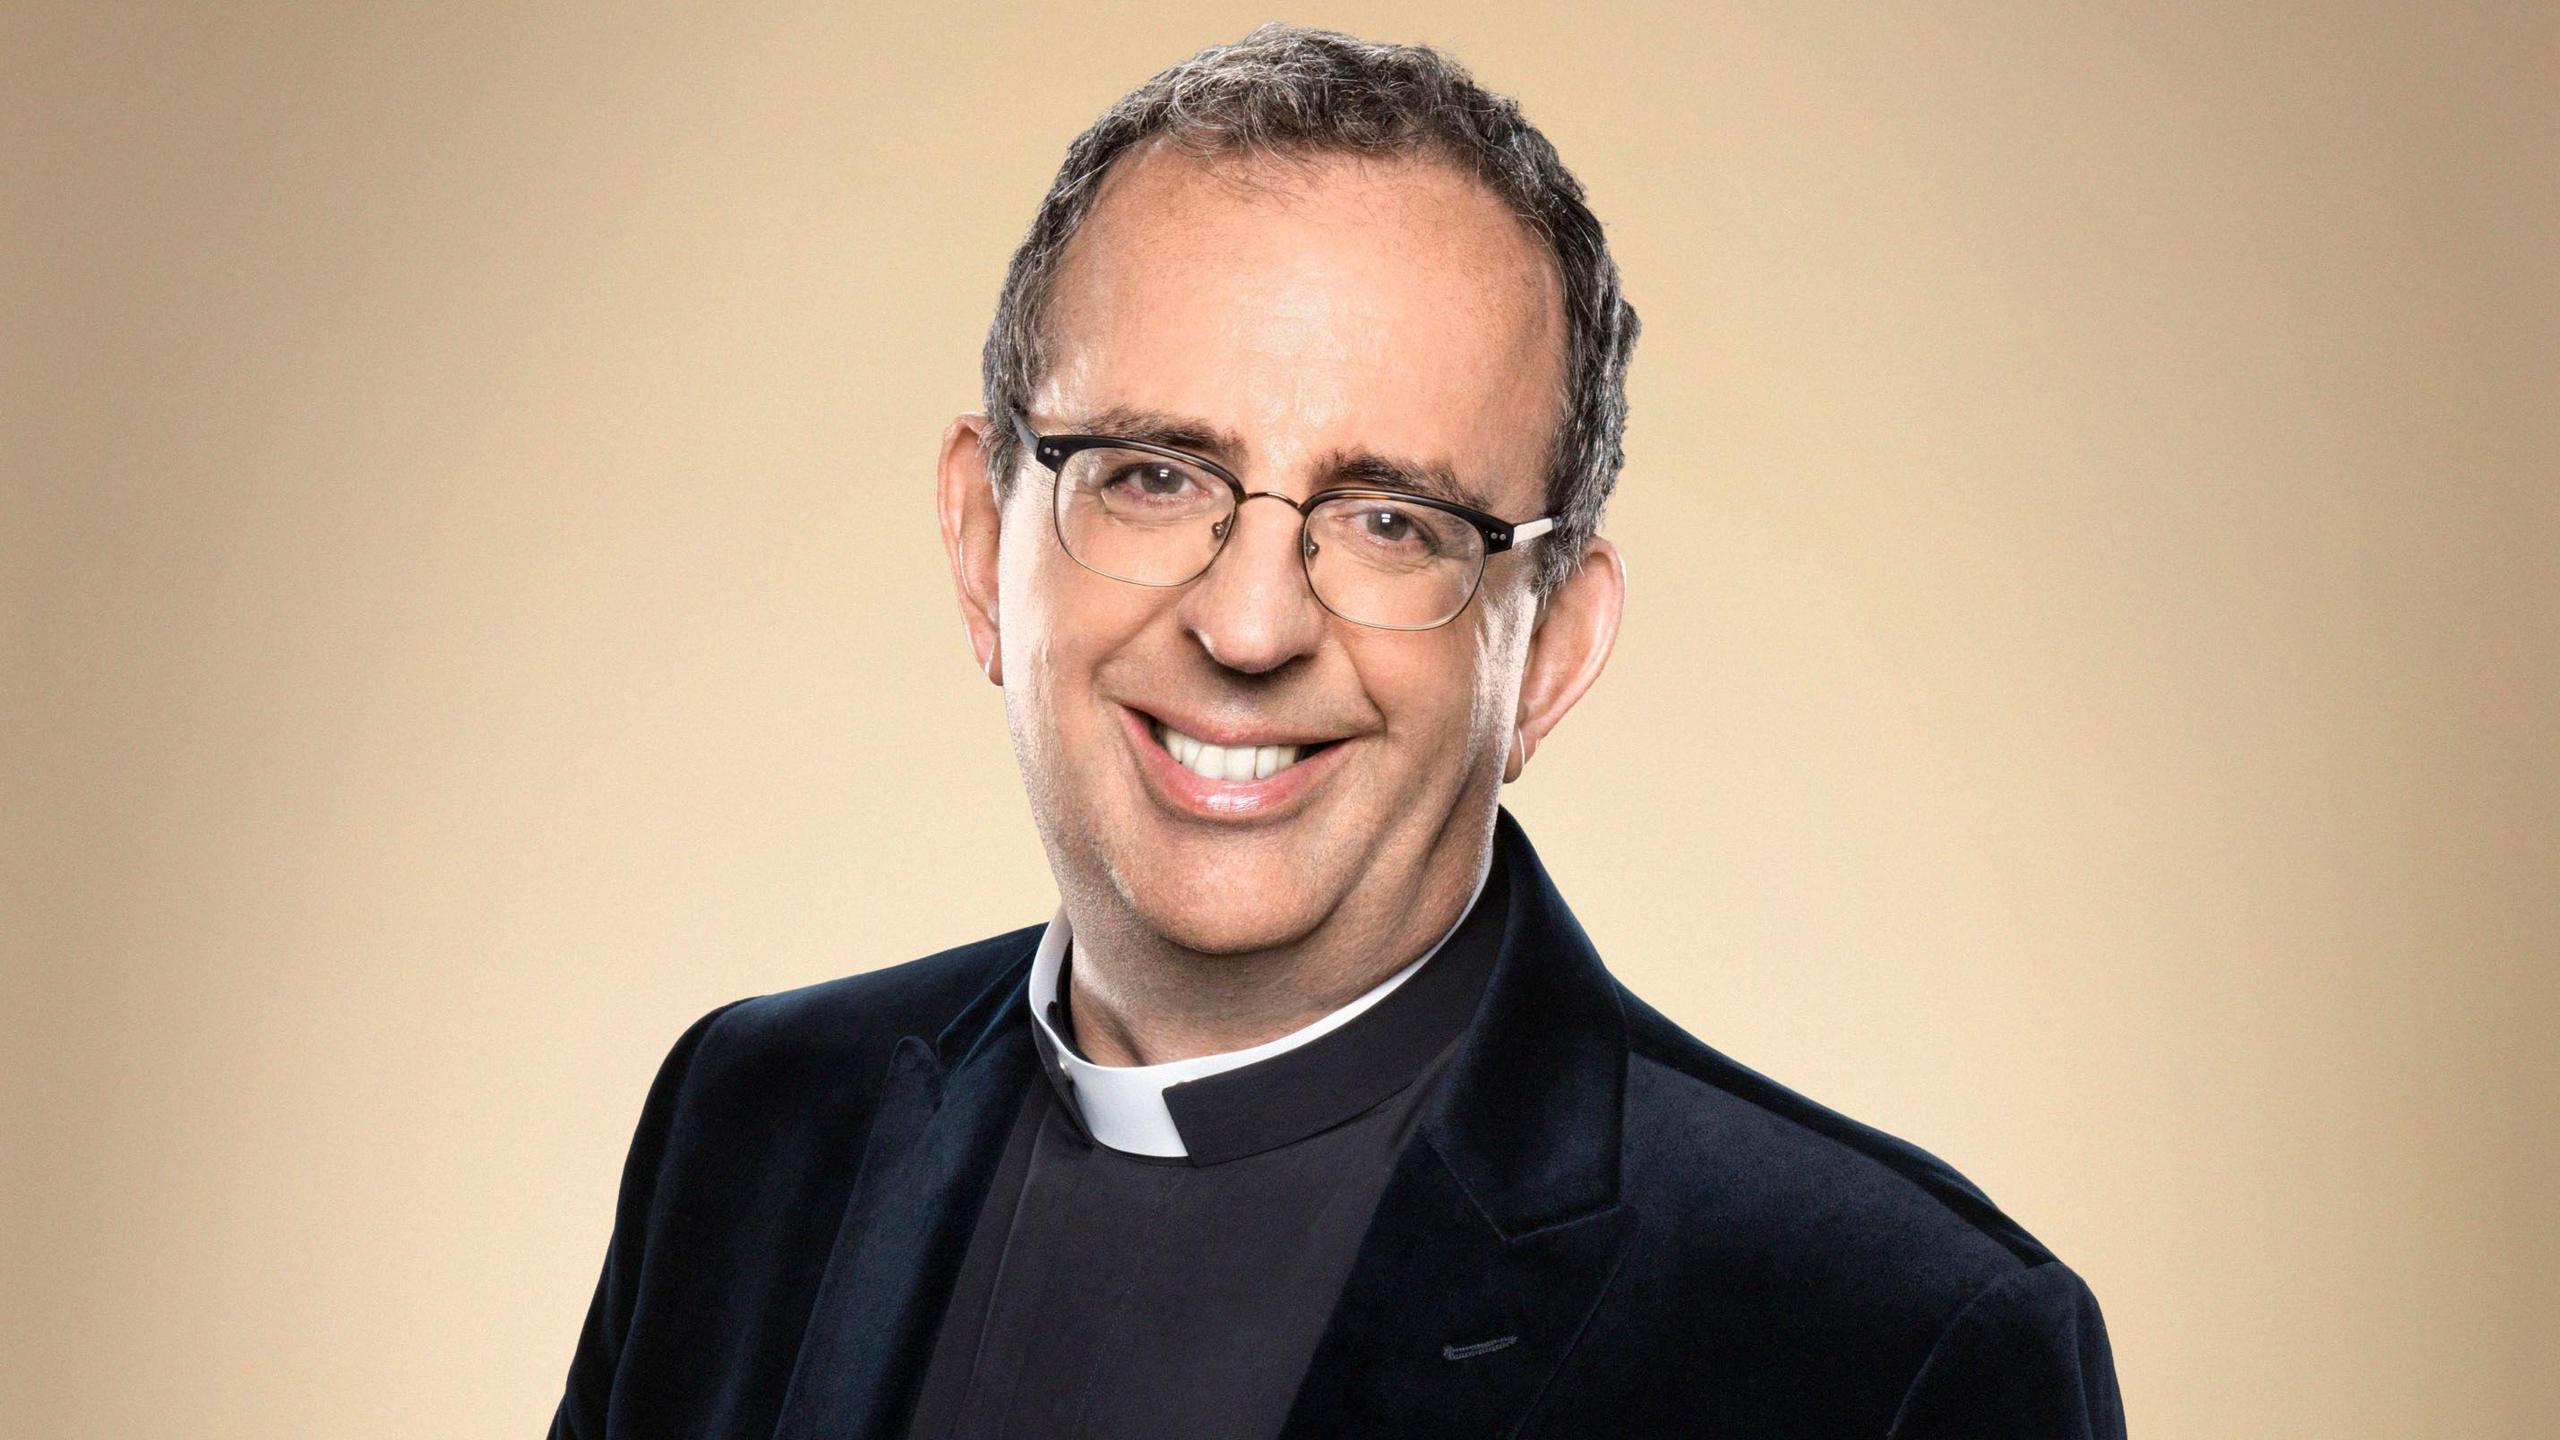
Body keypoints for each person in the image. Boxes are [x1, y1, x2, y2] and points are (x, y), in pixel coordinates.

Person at [550, 24, 2125, 1440]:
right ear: (983, 539)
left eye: (1392, 520)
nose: (1247, 628)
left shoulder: (1893, 1348)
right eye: (1153, 474)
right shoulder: (752, 1127)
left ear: (1555, 651)